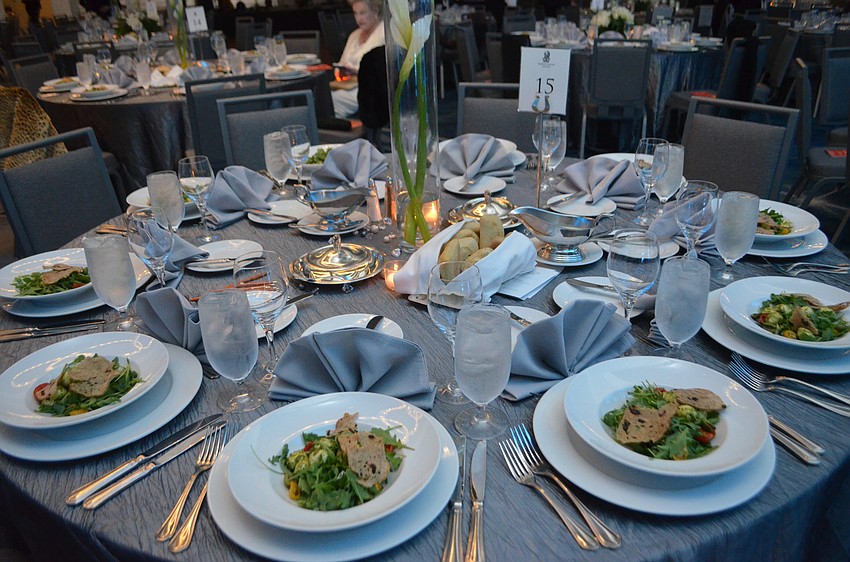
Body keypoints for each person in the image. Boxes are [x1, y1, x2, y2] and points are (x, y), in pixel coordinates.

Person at [332, 0, 385, 119]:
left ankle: (341, 127)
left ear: (375, 11)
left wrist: (357, 72)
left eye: (362, 13)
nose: (358, 18)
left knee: (330, 101)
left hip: (369, 91)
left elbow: (382, 74)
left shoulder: (384, 34)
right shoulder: (354, 35)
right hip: (346, 85)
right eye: (355, 13)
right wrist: (340, 71)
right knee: (322, 96)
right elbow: (341, 63)